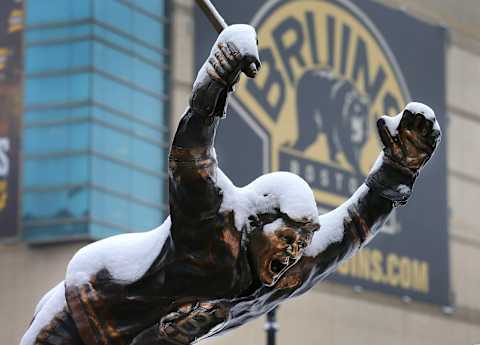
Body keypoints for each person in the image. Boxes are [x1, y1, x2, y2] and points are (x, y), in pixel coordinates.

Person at [21, 24, 441, 345]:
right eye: (289, 236)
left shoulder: (292, 271)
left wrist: (397, 171)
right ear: (256, 221)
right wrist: (217, 80)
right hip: (83, 314)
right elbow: (193, 157)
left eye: (302, 242)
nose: (295, 251)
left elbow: (353, 227)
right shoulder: (215, 222)